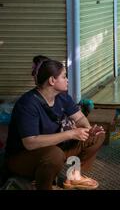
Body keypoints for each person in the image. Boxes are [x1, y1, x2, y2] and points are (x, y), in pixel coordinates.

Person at [5, 56, 105, 190]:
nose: (67, 80)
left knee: (97, 136)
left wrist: (88, 129)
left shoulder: (62, 96)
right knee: (54, 154)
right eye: (64, 77)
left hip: (55, 147)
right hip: (22, 157)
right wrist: (71, 134)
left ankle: (74, 176)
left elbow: (80, 118)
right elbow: (30, 143)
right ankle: (44, 186)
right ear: (52, 80)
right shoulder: (28, 104)